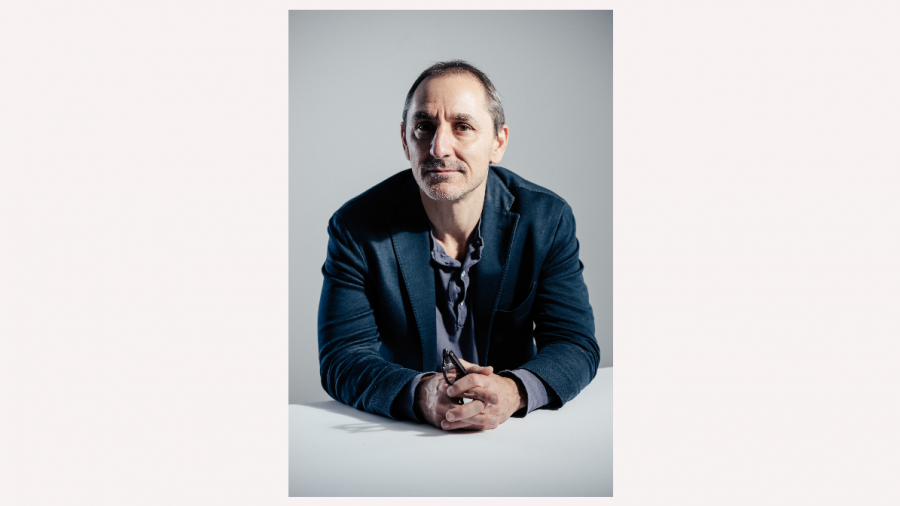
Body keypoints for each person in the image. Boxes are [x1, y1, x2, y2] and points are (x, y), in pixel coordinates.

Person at [317, 60, 599, 431]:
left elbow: (574, 343)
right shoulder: (356, 227)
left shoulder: (546, 220)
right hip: (401, 436)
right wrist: (421, 393)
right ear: (405, 140)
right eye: (424, 127)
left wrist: (513, 391)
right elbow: (342, 357)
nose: (439, 148)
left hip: (516, 436)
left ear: (498, 142)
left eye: (462, 127)